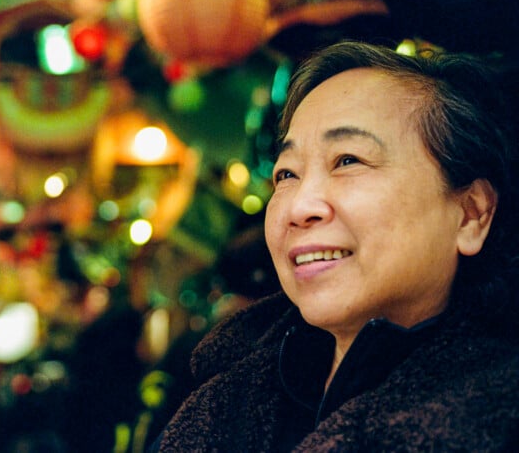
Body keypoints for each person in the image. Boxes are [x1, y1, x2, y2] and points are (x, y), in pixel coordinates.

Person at [150, 40, 519, 451]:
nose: (299, 207)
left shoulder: (497, 414)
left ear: (471, 214)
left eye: (348, 160)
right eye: (287, 174)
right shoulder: (221, 405)